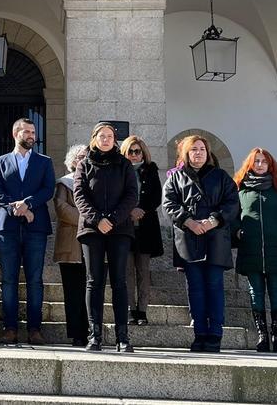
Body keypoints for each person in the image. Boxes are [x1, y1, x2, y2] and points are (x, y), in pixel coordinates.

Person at [160, 134, 239, 353]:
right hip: (189, 238)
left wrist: (213, 220)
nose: (199, 153)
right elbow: (169, 204)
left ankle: (215, 333)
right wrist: (188, 221)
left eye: (202, 149)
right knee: (194, 287)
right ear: (186, 153)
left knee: (214, 286)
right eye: (194, 149)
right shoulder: (176, 178)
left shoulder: (221, 176)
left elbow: (232, 203)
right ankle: (199, 332)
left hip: (215, 239)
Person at [0, 117, 56, 346]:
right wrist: (15, 208)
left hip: (35, 227)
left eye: (33, 132)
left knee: (34, 279)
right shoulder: (0, 161)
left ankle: (35, 329)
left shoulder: (44, 161)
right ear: (15, 133)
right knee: (8, 280)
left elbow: (48, 189)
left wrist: (28, 204)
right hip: (7, 227)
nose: (31, 135)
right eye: (26, 131)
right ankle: (10, 328)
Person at [73, 123, 139, 352]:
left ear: (115, 140)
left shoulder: (124, 164)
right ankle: (95, 336)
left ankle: (123, 337)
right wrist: (97, 219)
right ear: (94, 139)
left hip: (119, 229)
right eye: (102, 136)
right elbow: (79, 196)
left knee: (119, 281)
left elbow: (132, 194)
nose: (106, 139)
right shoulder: (84, 164)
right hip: (92, 230)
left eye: (110, 136)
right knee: (94, 281)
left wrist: (112, 219)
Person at [233, 147, 277, 352]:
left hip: (275, 247)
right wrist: (238, 232)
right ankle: (262, 336)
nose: (260, 165)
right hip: (250, 247)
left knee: (276, 291)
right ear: (250, 164)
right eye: (256, 161)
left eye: (264, 162)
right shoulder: (241, 189)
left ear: (270, 165)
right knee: (255, 292)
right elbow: (233, 217)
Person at [120, 135, 164, 326]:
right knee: (127, 271)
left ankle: (142, 310)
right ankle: (130, 309)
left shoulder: (151, 170)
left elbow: (156, 197)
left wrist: (141, 210)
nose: (134, 155)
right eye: (130, 151)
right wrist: (129, 210)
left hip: (146, 227)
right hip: (125, 226)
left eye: (137, 151)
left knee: (143, 271)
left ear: (143, 152)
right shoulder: (120, 170)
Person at [54, 144, 89, 347]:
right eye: (79, 157)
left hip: (91, 244)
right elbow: (61, 208)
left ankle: (92, 330)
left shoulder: (93, 181)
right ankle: (77, 333)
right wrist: (88, 218)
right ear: (72, 161)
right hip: (70, 244)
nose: (82, 159)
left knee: (90, 290)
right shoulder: (64, 183)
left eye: (86, 156)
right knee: (72, 291)